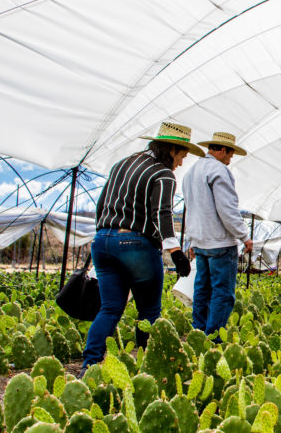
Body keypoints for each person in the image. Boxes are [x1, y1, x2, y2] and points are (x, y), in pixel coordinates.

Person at [81, 121, 201, 372]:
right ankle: (147, 368)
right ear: (172, 149)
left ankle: (89, 366)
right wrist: (175, 250)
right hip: (136, 244)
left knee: (110, 308)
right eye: (181, 156)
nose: (180, 163)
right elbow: (163, 213)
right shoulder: (163, 174)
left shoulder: (121, 164)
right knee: (148, 310)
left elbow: (101, 204)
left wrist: (104, 234)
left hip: (102, 241)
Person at [182, 132, 253, 340]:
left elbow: (191, 208)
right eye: (230, 155)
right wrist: (244, 236)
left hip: (200, 242)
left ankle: (198, 333)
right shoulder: (219, 170)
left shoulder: (191, 171)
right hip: (220, 242)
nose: (230, 160)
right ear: (222, 150)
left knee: (202, 289)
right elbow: (227, 209)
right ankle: (213, 338)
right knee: (222, 292)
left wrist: (191, 240)